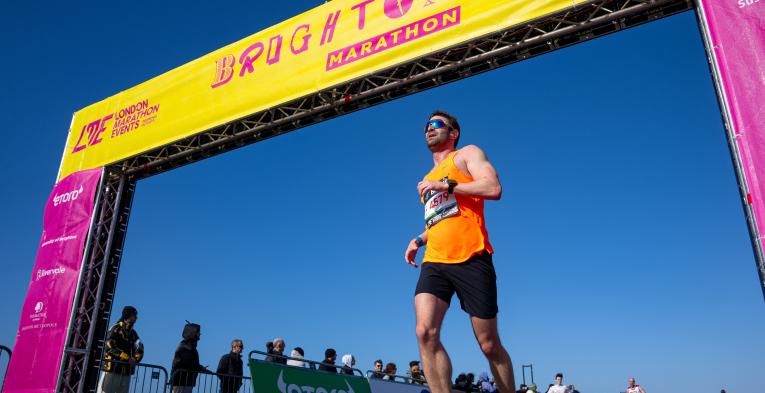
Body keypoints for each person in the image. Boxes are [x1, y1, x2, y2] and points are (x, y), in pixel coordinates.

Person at [404, 111, 514, 393]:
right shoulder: (427, 179)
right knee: (424, 332)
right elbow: (442, 218)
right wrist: (419, 238)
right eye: (426, 125)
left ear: (453, 133)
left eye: (437, 124)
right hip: (436, 260)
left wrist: (446, 184)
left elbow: (493, 187)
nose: (429, 129)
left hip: (472, 256)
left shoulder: (466, 154)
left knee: (489, 344)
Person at [101, 306, 144, 393]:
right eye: (134, 315)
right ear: (128, 315)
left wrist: (135, 360)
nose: (136, 318)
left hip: (126, 373)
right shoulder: (115, 329)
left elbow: (140, 348)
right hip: (111, 371)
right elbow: (109, 347)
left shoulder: (133, 334)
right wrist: (128, 358)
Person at [170, 322, 207, 393]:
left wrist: (200, 368)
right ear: (193, 333)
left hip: (187, 381)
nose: (200, 335)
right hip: (180, 381)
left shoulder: (191, 347)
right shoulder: (186, 346)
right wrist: (200, 368)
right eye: (198, 332)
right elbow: (186, 363)